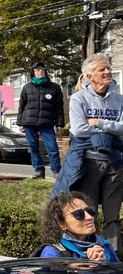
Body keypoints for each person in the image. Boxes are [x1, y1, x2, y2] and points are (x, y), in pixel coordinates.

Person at [52, 53, 123, 254]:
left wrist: (99, 123)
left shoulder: (120, 100)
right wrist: (111, 129)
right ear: (89, 76)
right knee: (89, 214)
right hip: (88, 163)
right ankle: (91, 253)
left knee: (113, 215)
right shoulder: (78, 98)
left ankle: (113, 256)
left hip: (115, 163)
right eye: (102, 69)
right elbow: (79, 129)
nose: (108, 72)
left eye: (108, 68)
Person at [37, 191, 119, 262]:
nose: (89, 217)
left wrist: (104, 266)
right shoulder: (52, 253)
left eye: (90, 211)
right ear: (61, 224)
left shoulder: (104, 245)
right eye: (78, 214)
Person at [17, 62, 65, 179]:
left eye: (42, 69)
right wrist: (20, 122)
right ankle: (39, 170)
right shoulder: (27, 87)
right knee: (33, 147)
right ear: (33, 72)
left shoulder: (54, 88)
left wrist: (59, 123)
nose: (40, 72)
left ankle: (56, 171)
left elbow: (59, 107)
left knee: (52, 148)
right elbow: (21, 106)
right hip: (29, 122)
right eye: (37, 70)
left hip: (47, 122)